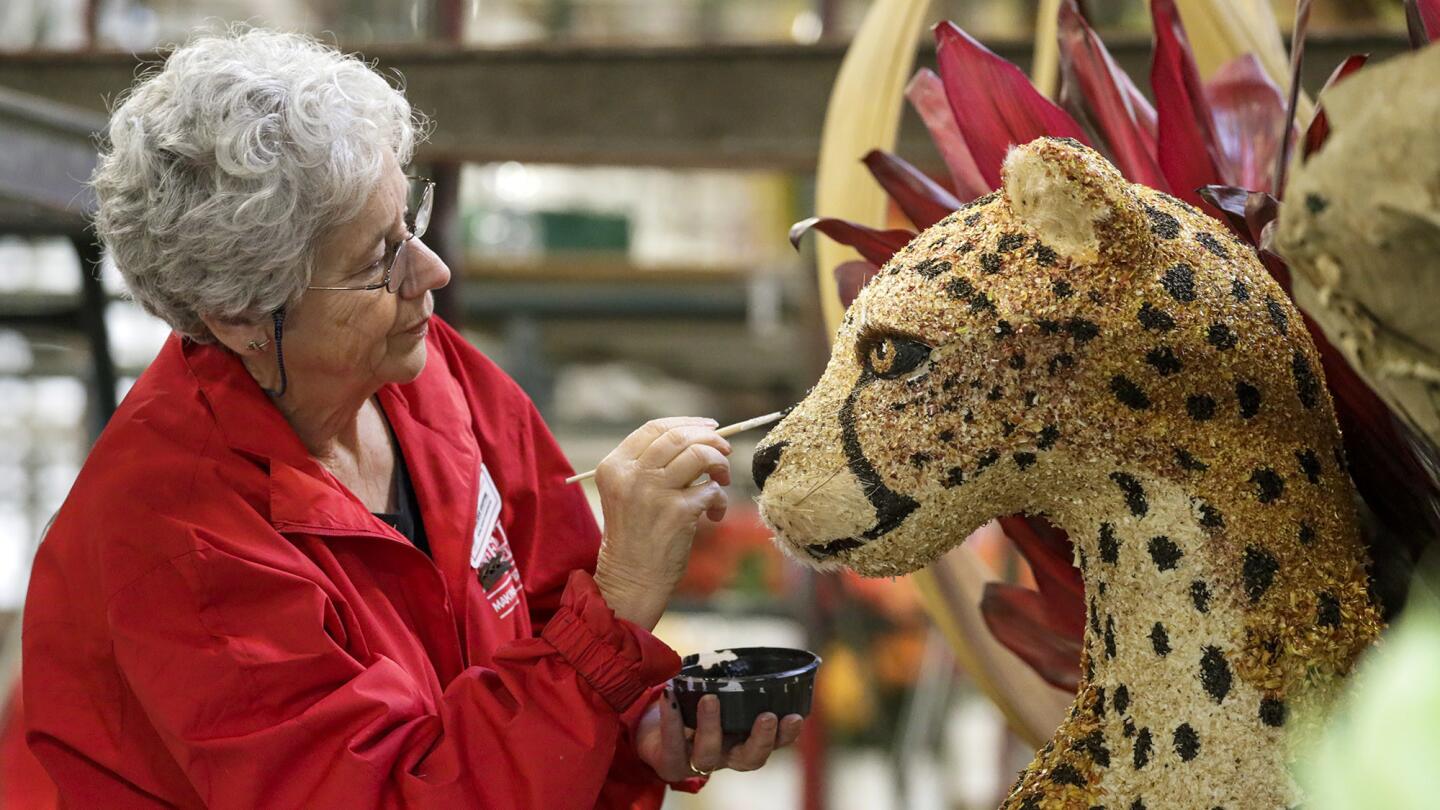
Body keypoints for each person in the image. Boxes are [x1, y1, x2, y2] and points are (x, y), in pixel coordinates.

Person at [21, 27, 801, 809]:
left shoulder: (427, 377)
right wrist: (625, 590)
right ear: (240, 315)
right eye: (375, 262)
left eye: (410, 223)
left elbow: (547, 621)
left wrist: (633, 729)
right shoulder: (179, 547)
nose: (431, 271)